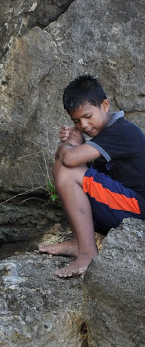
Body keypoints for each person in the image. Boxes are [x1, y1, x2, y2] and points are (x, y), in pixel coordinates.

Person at [39, 74, 145, 278]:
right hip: (121, 204)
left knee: (69, 169)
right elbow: (73, 166)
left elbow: (70, 160)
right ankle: (79, 241)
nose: (84, 125)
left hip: (138, 209)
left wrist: (69, 145)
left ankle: (87, 254)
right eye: (76, 121)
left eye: (88, 116)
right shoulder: (102, 137)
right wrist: (74, 146)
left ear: (105, 105)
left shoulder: (122, 131)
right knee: (63, 168)